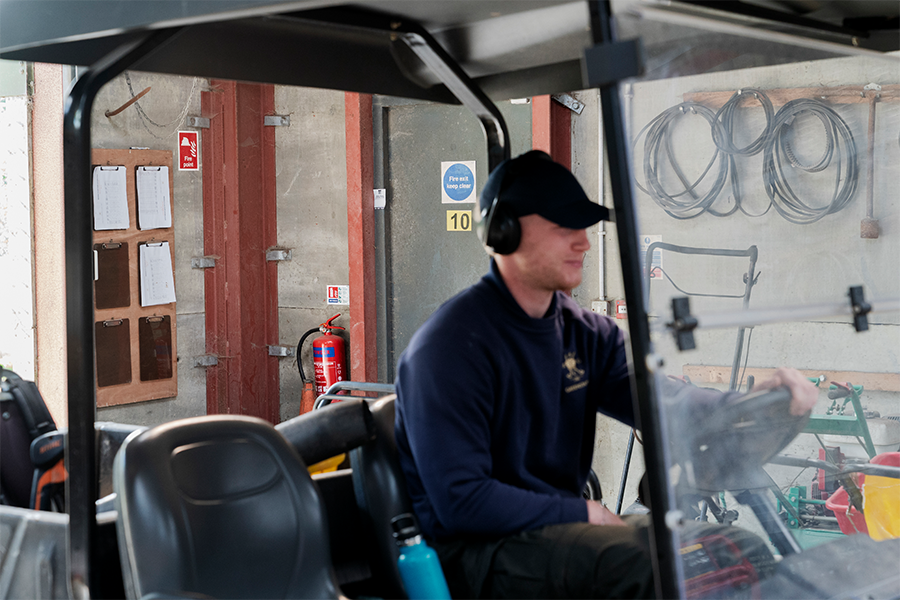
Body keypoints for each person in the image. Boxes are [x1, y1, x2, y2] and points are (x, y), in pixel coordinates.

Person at [393, 150, 817, 600]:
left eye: (584, 228)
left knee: (736, 552)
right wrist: (584, 513)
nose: (584, 243)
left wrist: (743, 405)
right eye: (565, 228)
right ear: (505, 231)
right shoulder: (449, 349)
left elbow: (659, 401)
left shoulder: (585, 333)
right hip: (476, 553)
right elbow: (462, 501)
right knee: (650, 571)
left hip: (558, 531)